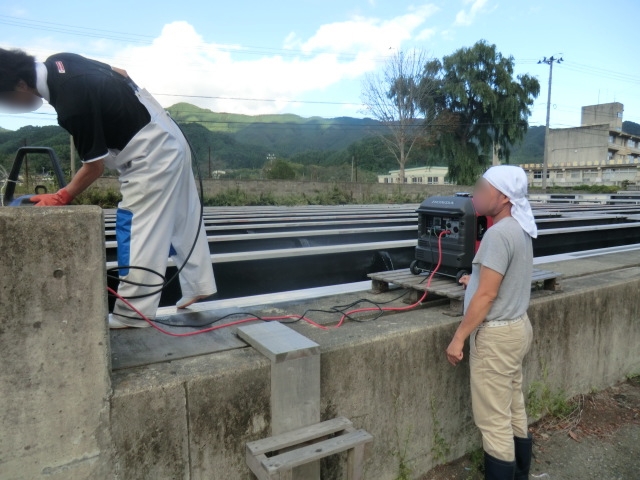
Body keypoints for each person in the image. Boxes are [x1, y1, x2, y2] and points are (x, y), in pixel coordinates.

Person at [0, 48, 217, 328]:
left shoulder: (71, 104)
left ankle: (133, 313)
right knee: (183, 217)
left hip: (150, 155)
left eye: (5, 99)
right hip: (167, 132)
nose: (8, 106)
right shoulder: (60, 60)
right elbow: (120, 72)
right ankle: (199, 284)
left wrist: (60, 196)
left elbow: (94, 168)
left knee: (136, 228)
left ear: (20, 85)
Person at [445, 165, 537, 479]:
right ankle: (520, 474)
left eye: (483, 189)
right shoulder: (519, 228)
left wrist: (459, 337)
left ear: (504, 197)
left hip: (496, 337)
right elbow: (501, 278)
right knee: (513, 407)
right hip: (518, 327)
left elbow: (487, 296)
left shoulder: (497, 234)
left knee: (493, 421)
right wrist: (475, 279)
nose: (476, 194)